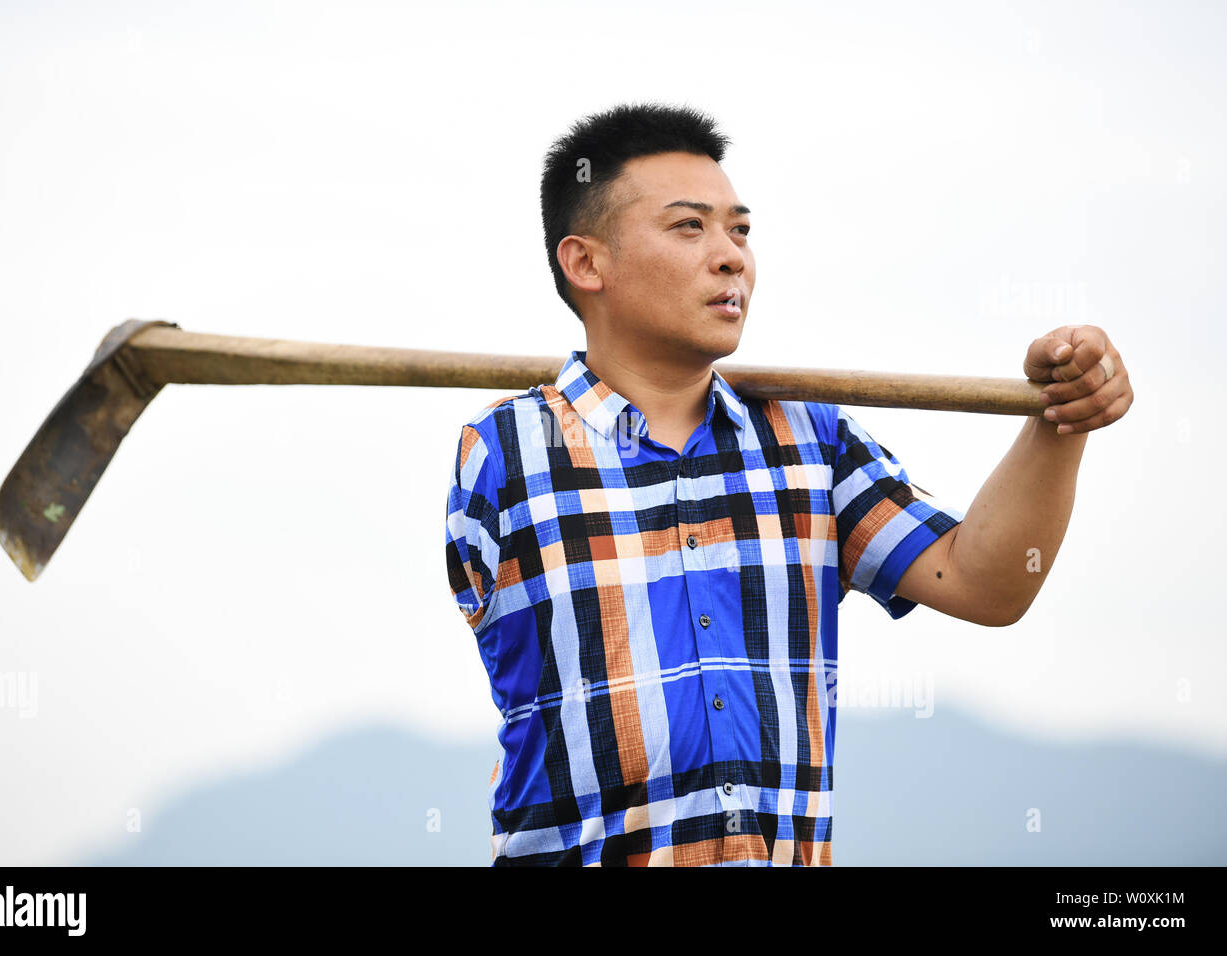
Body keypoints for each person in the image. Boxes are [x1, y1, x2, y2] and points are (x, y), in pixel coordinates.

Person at [443, 102, 1133, 866]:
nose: (731, 257)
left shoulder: (811, 441)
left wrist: (1061, 419)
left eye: (740, 230)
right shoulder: (508, 452)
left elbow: (986, 583)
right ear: (585, 263)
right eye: (689, 227)